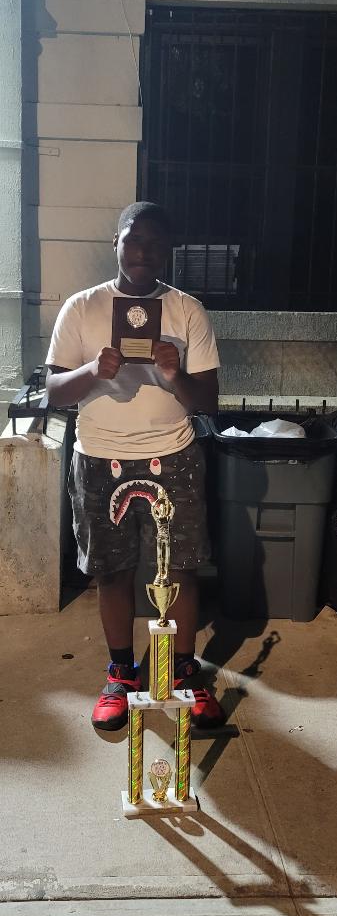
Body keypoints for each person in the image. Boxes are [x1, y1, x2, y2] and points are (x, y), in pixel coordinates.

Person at [46, 201, 226, 732]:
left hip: (174, 453)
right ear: (117, 243)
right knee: (113, 570)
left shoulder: (187, 311)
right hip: (99, 457)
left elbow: (208, 401)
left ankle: (183, 671)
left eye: (154, 242)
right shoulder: (81, 307)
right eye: (133, 240)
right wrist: (92, 370)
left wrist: (176, 375)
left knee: (182, 568)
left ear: (168, 251)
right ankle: (121, 673)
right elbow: (54, 392)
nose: (142, 251)